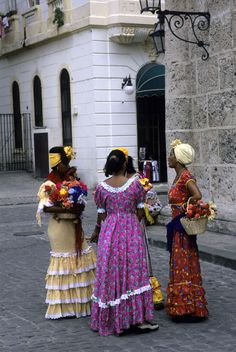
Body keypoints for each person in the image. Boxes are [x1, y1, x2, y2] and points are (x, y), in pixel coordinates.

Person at [90, 148, 159, 336]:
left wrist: (97, 230)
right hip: (130, 232)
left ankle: (111, 318)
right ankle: (135, 318)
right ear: (123, 164)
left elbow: (101, 215)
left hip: (109, 233)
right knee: (132, 271)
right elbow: (139, 212)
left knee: (112, 271)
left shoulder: (101, 188)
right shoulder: (135, 185)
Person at [36, 146, 96, 319]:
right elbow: (45, 208)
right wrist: (66, 206)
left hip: (74, 225)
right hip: (60, 227)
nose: (68, 165)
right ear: (58, 164)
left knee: (80, 260)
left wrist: (78, 204)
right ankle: (64, 307)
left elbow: (80, 199)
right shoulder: (49, 183)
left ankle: (81, 303)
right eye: (66, 163)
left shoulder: (73, 178)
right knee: (65, 262)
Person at [166, 139, 208, 320]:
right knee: (179, 261)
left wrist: (185, 207)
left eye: (171, 155)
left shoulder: (185, 177)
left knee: (184, 260)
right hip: (176, 225)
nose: (169, 158)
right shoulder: (178, 177)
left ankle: (188, 307)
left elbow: (197, 195)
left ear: (179, 159)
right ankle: (184, 305)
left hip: (182, 225)